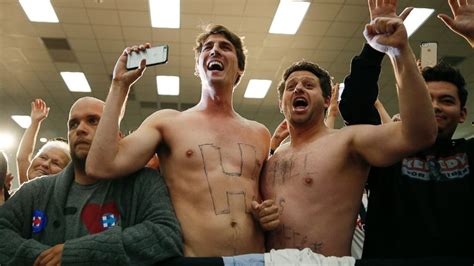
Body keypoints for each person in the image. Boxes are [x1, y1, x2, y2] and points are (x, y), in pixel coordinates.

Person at [86, 24, 278, 256]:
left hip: (253, 259)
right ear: (198, 67)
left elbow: (261, 201)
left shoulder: (260, 133)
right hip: (193, 259)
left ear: (239, 69)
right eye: (208, 47)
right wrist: (119, 85)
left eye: (225, 47)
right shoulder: (168, 123)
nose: (215, 51)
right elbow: (101, 165)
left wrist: (267, 214)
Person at [260, 12, 437, 257]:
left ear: (325, 101)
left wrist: (399, 52)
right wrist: (259, 217)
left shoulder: (347, 142)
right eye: (291, 86)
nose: (298, 87)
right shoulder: (274, 158)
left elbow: (419, 133)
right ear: (282, 104)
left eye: (308, 85)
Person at [339, 0, 474, 259]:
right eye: (428, 99)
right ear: (414, 103)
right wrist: (375, 49)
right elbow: (355, 106)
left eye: (447, 100)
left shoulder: (469, 156)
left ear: (463, 114)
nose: (435, 107)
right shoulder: (387, 154)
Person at [0, 97, 182, 265]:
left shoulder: (143, 182)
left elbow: (164, 235)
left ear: (118, 137)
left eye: (93, 121)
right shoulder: (36, 191)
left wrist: (76, 253)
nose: (80, 129)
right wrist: (42, 257)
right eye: (73, 124)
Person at [16, 99, 70, 184]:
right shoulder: (27, 187)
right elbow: (22, 158)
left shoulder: (65, 196)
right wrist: (35, 122)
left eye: (56, 163)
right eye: (43, 157)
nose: (45, 164)